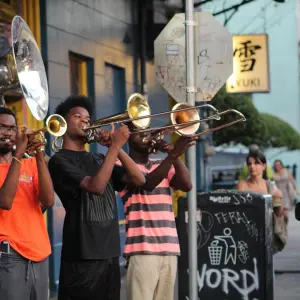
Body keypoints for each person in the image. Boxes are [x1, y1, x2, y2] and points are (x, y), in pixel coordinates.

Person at [48, 95, 145, 300]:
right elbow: (96, 186)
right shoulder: (59, 160)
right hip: (82, 255)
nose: (85, 121)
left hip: (109, 253)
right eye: (78, 116)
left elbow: (139, 179)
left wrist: (116, 149)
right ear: (63, 123)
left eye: (88, 118)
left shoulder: (100, 158)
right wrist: (114, 147)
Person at [117, 126, 196, 300]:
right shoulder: (120, 165)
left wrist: (170, 151)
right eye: (139, 131)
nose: (146, 134)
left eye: (147, 130)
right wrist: (173, 154)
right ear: (128, 136)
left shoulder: (163, 163)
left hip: (169, 248)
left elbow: (187, 185)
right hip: (141, 250)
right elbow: (147, 182)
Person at [0, 107, 54, 300]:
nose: (7, 132)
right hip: (9, 257)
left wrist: (39, 154)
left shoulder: (30, 163)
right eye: (1, 127)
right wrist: (19, 154)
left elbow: (48, 200)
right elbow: (5, 201)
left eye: (12, 128)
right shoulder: (19, 159)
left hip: (40, 253)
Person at [236, 150, 287, 252]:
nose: (252, 166)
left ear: (263, 166)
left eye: (256, 163)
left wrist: (278, 199)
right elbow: (239, 209)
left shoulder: (270, 186)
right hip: (247, 232)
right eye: (249, 164)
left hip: (266, 233)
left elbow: (277, 213)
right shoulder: (242, 185)